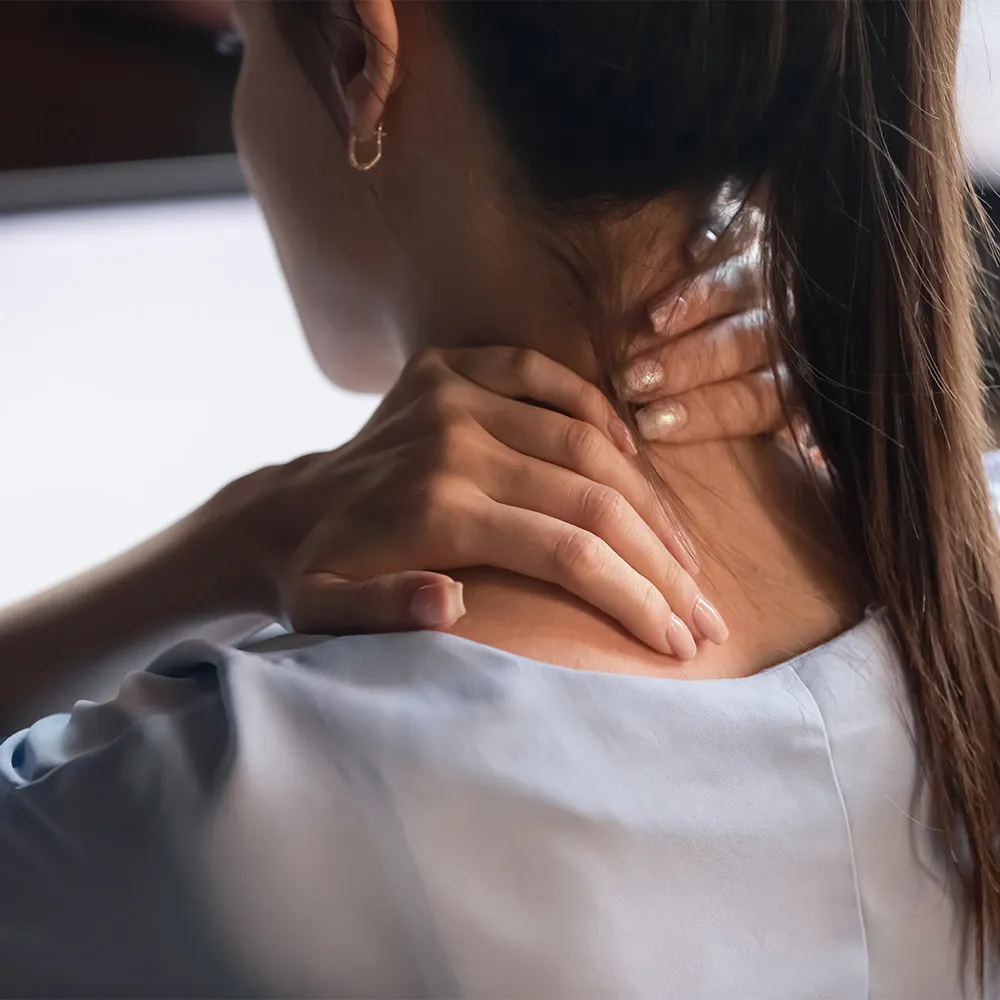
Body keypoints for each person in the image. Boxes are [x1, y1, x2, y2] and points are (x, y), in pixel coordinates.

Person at [1, 0, 998, 996]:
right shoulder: (961, 559)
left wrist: (236, 535)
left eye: (241, 45)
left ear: (360, 52)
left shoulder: (214, 800)